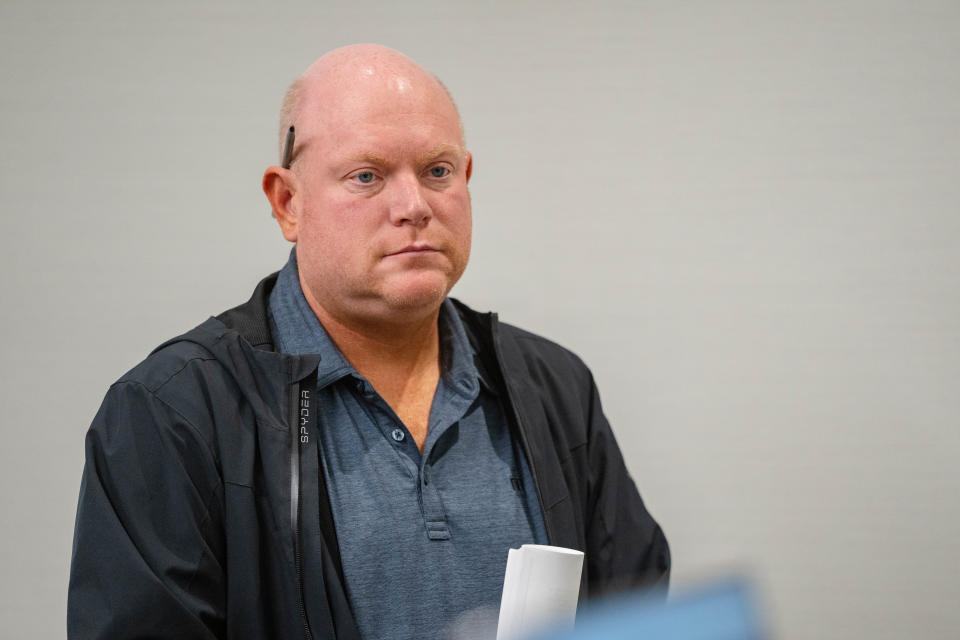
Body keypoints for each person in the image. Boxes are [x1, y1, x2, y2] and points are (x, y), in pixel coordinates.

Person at [67, 44, 669, 640]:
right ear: (287, 203)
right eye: (366, 176)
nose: (413, 207)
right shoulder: (174, 414)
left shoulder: (554, 388)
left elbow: (639, 614)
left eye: (438, 171)